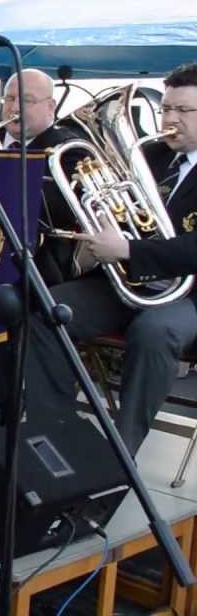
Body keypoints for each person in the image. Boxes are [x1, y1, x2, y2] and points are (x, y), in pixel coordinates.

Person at [23, 63, 197, 456]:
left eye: (183, 111)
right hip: (130, 282)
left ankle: (119, 456)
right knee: (48, 310)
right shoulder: (150, 154)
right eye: (166, 108)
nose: (169, 119)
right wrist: (101, 218)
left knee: (155, 332)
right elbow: (114, 211)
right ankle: (54, 437)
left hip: (189, 297)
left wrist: (129, 250)